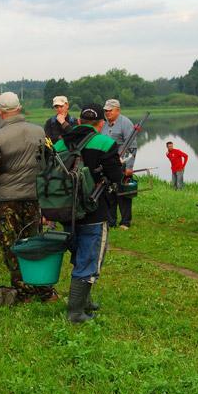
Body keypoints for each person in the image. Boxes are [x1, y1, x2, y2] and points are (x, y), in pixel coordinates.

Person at [55, 104, 122, 322]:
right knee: (90, 258)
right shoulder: (106, 143)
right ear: (101, 124)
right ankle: (75, 312)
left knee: (80, 255)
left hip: (66, 211)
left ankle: (84, 302)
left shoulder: (60, 143)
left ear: (79, 121)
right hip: (94, 212)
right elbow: (116, 178)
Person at [0, 92, 52, 301]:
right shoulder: (39, 131)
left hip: (7, 199)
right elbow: (49, 163)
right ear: (19, 108)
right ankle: (41, 285)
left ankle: (23, 290)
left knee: (12, 245)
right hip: (33, 195)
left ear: (0, 112)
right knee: (33, 241)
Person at [102, 99, 137, 230]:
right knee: (109, 193)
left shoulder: (126, 123)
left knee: (123, 194)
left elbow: (132, 147)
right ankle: (111, 221)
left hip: (121, 164)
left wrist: (129, 167)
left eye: (110, 110)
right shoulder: (104, 124)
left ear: (118, 110)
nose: (107, 113)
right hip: (107, 165)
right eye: (106, 110)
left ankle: (125, 222)